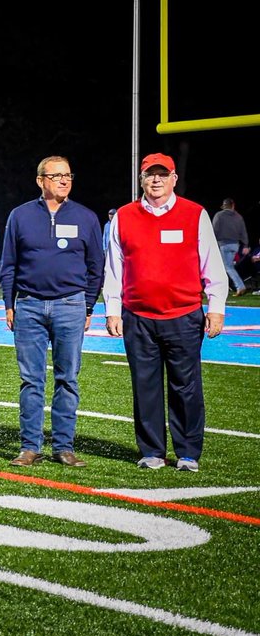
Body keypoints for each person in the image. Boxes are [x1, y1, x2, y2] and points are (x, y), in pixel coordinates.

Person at [104, 153, 229, 472]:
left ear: (174, 179)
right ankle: (152, 451)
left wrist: (216, 307)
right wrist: (113, 309)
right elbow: (114, 267)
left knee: (186, 386)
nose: (156, 180)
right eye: (150, 175)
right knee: (144, 386)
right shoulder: (124, 216)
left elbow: (211, 262)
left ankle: (187, 453)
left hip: (183, 315)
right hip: (138, 317)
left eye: (163, 174)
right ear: (141, 180)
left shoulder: (194, 214)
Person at [0, 156, 104, 468]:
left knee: (67, 379)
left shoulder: (86, 217)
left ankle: (64, 446)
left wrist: (87, 305)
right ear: (40, 180)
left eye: (68, 175)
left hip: (70, 305)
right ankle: (30, 446)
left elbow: (95, 266)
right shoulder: (20, 216)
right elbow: (9, 264)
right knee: (31, 380)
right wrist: (9, 304)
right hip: (29, 305)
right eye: (56, 175)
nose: (63, 180)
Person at [212, 198, 251, 295]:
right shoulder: (238, 217)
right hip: (235, 245)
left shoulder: (219, 215)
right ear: (233, 205)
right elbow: (243, 232)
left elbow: (214, 230)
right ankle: (231, 286)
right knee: (228, 266)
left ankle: (239, 286)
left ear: (224, 206)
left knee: (227, 267)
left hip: (223, 244)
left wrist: (212, 242)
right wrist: (246, 245)